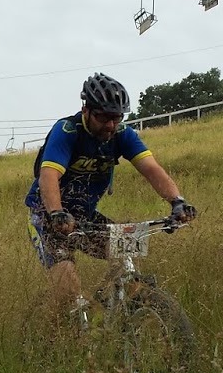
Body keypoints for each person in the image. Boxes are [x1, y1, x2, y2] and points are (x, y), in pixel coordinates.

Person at [26, 73, 196, 314]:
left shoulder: (122, 134)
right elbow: (49, 175)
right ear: (86, 109)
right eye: (103, 118)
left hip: (85, 216)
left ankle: (114, 320)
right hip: (47, 216)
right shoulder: (67, 131)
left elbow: (151, 169)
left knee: (127, 259)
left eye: (116, 118)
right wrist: (56, 212)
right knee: (67, 290)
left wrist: (177, 201)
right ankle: (50, 342)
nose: (110, 126)